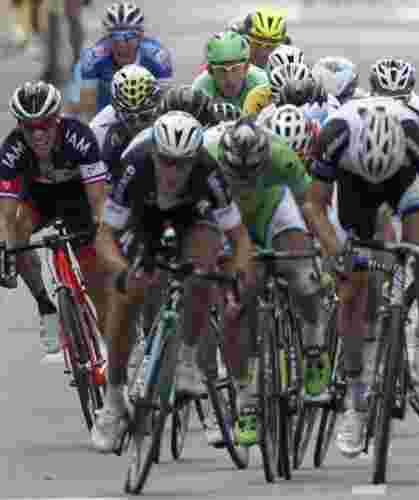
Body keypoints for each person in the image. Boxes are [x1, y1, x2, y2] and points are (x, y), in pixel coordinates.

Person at [90, 111, 253, 452]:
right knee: (124, 297)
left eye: (181, 164)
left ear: (194, 158)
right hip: (143, 218)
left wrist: (235, 277)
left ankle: (188, 361)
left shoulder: (210, 173)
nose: (172, 172)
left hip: (191, 220)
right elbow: (105, 237)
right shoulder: (134, 165)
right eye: (166, 161)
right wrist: (122, 271)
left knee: (203, 261)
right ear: (154, 154)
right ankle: (114, 398)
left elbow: (239, 240)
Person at [307, 97, 419, 457]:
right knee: (354, 290)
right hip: (353, 188)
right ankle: (356, 404)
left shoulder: (413, 134)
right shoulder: (336, 135)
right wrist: (335, 250)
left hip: (404, 180)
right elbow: (314, 204)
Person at [203, 116, 329, 447]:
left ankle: (314, 350)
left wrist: (327, 253)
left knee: (304, 277)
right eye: (237, 174)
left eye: (252, 173)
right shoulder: (206, 157)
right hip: (227, 222)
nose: (244, 181)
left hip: (273, 210)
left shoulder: (281, 156)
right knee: (237, 305)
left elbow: (313, 207)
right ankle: (245, 401)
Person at [0, 81, 110, 354]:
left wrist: (101, 229)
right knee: (16, 233)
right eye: (29, 127)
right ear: (19, 126)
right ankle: (46, 308)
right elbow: (5, 213)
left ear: (57, 119)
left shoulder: (79, 136)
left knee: (93, 271)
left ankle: (114, 345)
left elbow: (98, 199)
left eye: (45, 125)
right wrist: (7, 249)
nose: (38, 135)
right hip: (38, 198)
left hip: (78, 197)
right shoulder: (12, 149)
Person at [71, 2, 172, 121]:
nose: (122, 44)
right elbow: (88, 110)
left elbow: (165, 105)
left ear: (141, 36)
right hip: (107, 117)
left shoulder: (158, 57)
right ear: (107, 38)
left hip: (146, 117)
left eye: (129, 36)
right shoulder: (92, 59)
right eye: (115, 36)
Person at [89, 64, 160, 183]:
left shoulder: (169, 112)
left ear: (158, 107)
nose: (138, 125)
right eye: (130, 119)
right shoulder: (99, 129)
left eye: (144, 117)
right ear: (116, 112)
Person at [192, 31, 270, 113]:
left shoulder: (261, 83)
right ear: (210, 72)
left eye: (235, 69)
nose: (229, 79)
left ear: (246, 68)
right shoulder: (200, 88)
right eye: (221, 70)